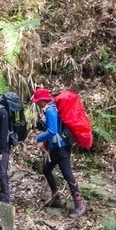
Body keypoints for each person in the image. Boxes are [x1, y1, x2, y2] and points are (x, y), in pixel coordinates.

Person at [30, 88, 86, 218]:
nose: (36, 104)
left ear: (43, 101)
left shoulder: (50, 111)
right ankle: (56, 198)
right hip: (55, 148)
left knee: (67, 175)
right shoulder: (51, 109)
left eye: (37, 101)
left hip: (61, 148)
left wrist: (38, 138)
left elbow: (52, 131)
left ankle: (79, 205)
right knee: (46, 169)